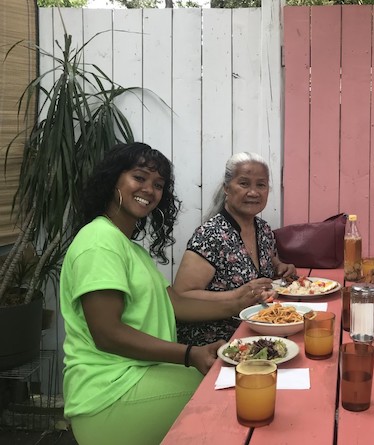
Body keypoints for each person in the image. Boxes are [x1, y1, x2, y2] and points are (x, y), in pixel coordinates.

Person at [60, 142, 243, 445]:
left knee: (236, 380)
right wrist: (189, 354)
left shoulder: (127, 246)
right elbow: (107, 333)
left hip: (142, 376)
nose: (149, 189)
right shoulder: (99, 242)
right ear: (113, 179)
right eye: (139, 177)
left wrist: (241, 301)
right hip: (111, 392)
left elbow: (174, 304)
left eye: (158, 184)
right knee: (233, 391)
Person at [174, 152, 296, 345]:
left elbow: (270, 265)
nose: (253, 192)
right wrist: (237, 295)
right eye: (244, 183)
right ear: (226, 188)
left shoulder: (263, 230)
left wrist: (282, 268)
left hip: (258, 330)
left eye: (261, 185)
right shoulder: (211, 235)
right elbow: (181, 297)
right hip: (216, 341)